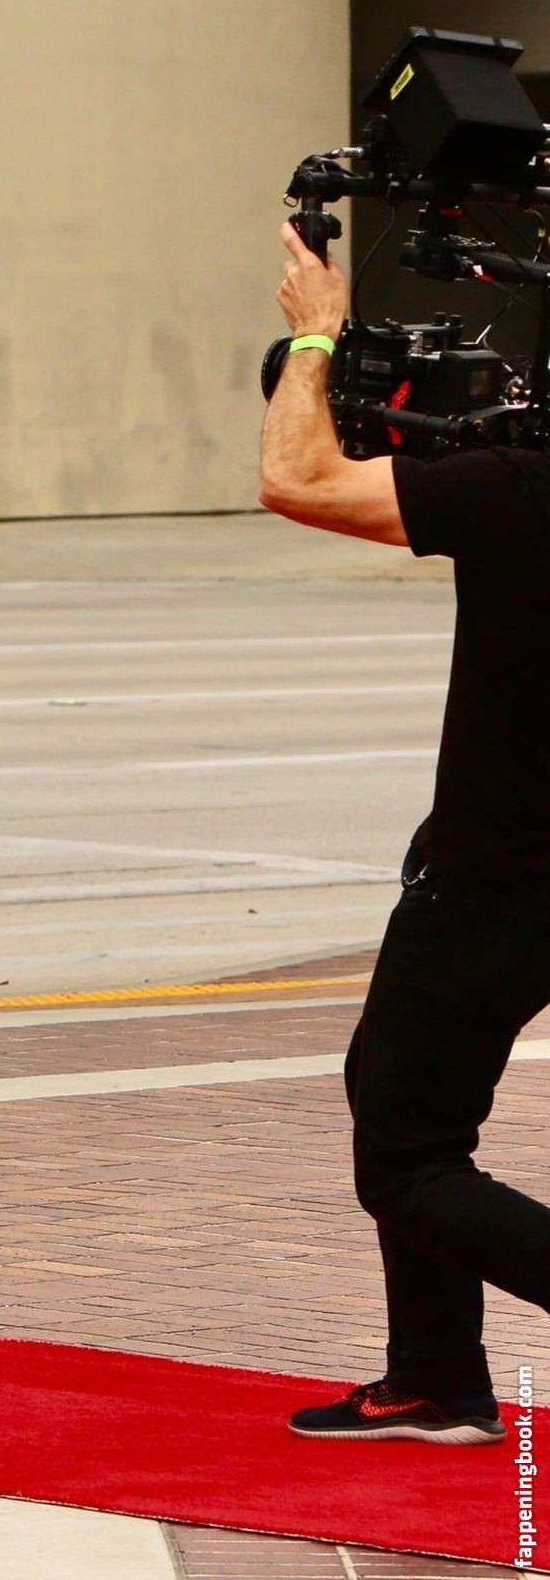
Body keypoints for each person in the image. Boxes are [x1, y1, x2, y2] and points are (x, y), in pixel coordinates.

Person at [257, 216, 549, 1446]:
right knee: (389, 1082)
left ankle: (438, 1374)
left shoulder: (519, 488)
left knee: (405, 1158)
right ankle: (435, 1375)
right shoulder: (508, 480)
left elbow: (298, 479)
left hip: (497, 874)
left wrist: (314, 337)